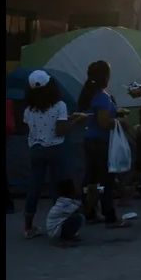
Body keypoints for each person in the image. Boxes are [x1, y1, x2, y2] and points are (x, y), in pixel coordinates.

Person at [21, 70, 85, 239]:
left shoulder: (28, 110)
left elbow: (36, 127)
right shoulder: (59, 105)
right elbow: (60, 131)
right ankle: (58, 223)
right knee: (59, 187)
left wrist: (66, 119)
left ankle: (28, 227)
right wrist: (75, 121)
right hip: (55, 149)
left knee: (34, 186)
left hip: (35, 149)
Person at [77, 61, 131, 228]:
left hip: (89, 139)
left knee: (91, 179)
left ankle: (90, 212)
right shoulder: (102, 96)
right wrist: (119, 120)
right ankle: (110, 216)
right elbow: (103, 122)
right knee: (106, 181)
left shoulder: (88, 94)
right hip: (101, 142)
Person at [46, 179, 85, 247]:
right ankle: (63, 240)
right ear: (71, 191)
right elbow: (82, 209)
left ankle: (68, 236)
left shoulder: (64, 200)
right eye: (75, 187)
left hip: (55, 229)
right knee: (77, 218)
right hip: (54, 231)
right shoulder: (65, 203)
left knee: (78, 217)